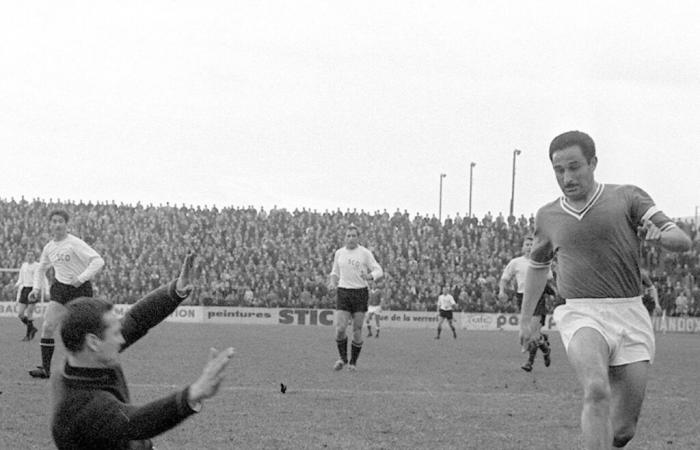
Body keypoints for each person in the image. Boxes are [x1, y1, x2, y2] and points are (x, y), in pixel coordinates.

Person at [519, 130, 691, 449]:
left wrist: (659, 236)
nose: (567, 177)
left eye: (574, 167)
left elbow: (682, 239)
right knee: (596, 389)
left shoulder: (628, 197)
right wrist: (526, 317)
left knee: (623, 430)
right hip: (581, 312)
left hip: (630, 313)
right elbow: (538, 266)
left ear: (593, 162)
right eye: (559, 170)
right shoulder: (548, 216)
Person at [51, 252, 235, 449]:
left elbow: (135, 320)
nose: (122, 338)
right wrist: (193, 394)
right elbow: (135, 422)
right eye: (115, 334)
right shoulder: (79, 406)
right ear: (93, 342)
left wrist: (175, 291)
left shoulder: (85, 359)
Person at [28, 210, 105, 379]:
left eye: (60, 221)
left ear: (66, 224)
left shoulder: (74, 243)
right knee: (48, 327)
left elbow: (98, 260)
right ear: (50, 224)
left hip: (80, 289)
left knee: (83, 331)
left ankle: (93, 367)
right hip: (60, 289)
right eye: (54, 221)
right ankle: (46, 369)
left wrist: (81, 278)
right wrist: (36, 288)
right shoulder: (49, 247)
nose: (57, 224)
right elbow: (41, 268)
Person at [328, 225, 383, 371]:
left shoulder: (365, 253)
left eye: (353, 235)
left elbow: (379, 270)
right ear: (345, 237)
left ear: (358, 238)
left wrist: (370, 276)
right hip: (343, 292)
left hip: (360, 293)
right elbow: (334, 272)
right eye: (348, 236)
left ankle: (352, 363)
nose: (351, 238)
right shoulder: (339, 253)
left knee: (357, 329)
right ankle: (342, 359)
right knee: (340, 328)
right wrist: (333, 283)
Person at [498, 236, 555, 372]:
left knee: (532, 335)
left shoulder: (541, 262)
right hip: (522, 298)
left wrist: (553, 294)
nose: (529, 247)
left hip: (538, 297)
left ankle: (529, 362)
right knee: (529, 335)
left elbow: (550, 279)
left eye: (531, 244)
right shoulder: (515, 262)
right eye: (527, 244)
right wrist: (501, 291)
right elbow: (504, 278)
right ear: (523, 247)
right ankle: (545, 348)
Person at [15, 249, 41, 341]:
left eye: (32, 255)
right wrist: (17, 284)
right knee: (20, 314)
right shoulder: (24, 265)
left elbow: (38, 278)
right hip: (24, 289)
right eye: (28, 255)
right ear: (26, 256)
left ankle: (28, 336)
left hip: (33, 289)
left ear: (34, 256)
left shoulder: (37, 266)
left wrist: (36, 290)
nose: (30, 257)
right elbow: (20, 278)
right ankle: (32, 328)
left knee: (29, 312)